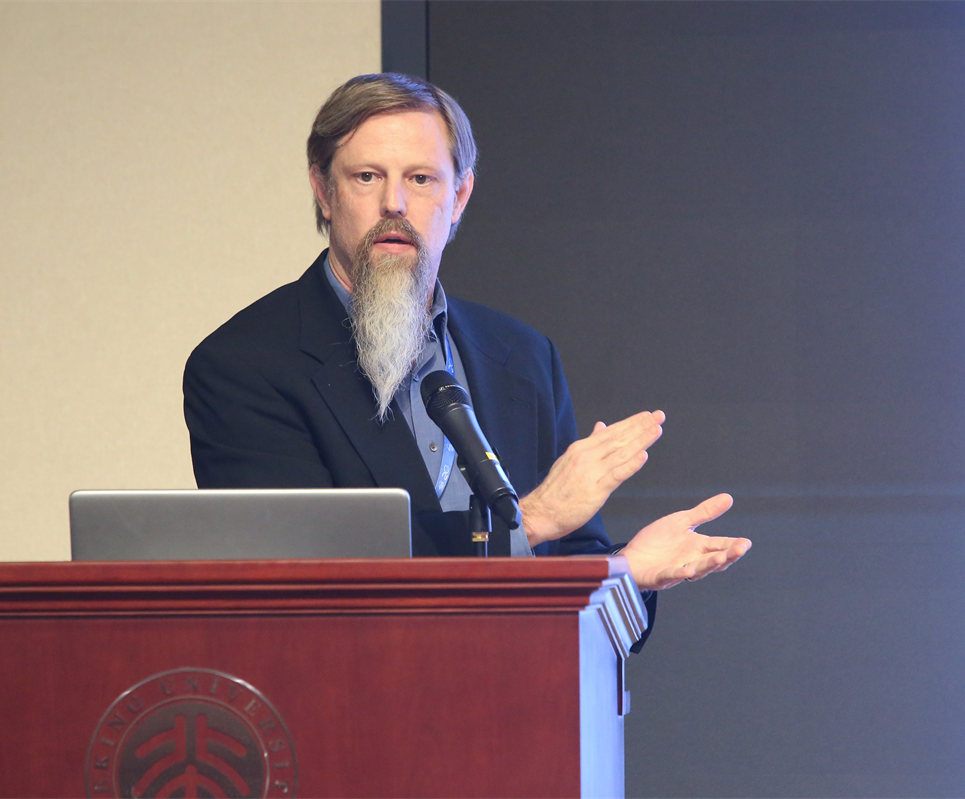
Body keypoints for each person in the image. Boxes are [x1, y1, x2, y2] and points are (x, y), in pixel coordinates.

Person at [184, 73, 749, 597]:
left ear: (458, 197)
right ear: (324, 192)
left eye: (421, 179)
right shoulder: (242, 365)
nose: (394, 204)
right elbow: (298, 579)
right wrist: (530, 521)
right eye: (367, 177)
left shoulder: (522, 356)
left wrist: (625, 571)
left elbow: (568, 563)